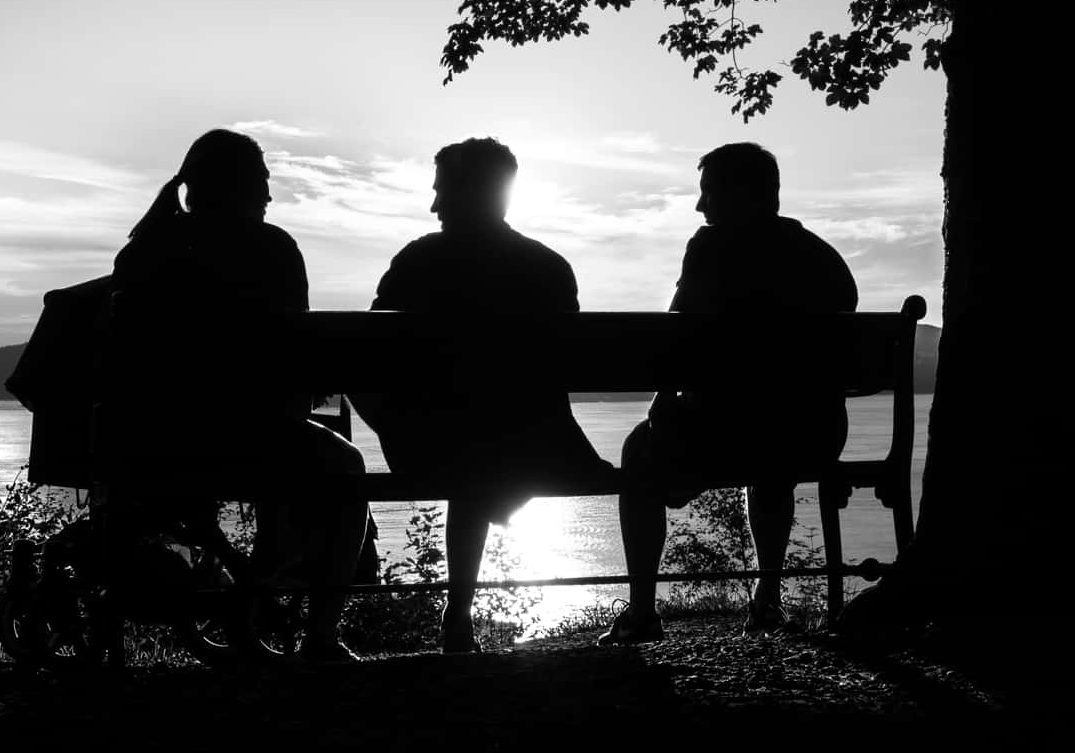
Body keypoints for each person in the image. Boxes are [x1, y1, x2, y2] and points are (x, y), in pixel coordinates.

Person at [109, 127, 368, 663]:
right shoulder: (271, 249)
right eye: (264, 183)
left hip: (149, 439)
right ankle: (317, 632)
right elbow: (293, 354)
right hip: (248, 437)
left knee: (283, 453)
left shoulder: (144, 250)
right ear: (242, 187)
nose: (271, 197)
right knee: (343, 462)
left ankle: (249, 608)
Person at [352, 137, 607, 653]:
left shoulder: (419, 262)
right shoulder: (548, 266)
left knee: (466, 448)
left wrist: (392, 428)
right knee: (483, 442)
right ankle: (461, 614)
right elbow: (564, 368)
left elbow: (363, 354)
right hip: (538, 447)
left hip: (435, 449)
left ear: (470, 192)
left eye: (441, 190)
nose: (434, 205)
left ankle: (458, 616)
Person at [598, 142, 858, 645]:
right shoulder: (822, 256)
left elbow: (674, 336)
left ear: (740, 194)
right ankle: (767, 599)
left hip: (735, 431)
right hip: (813, 433)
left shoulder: (711, 248)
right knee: (772, 456)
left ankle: (644, 613)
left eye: (708, 192)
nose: (700, 207)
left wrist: (663, 400)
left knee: (639, 449)